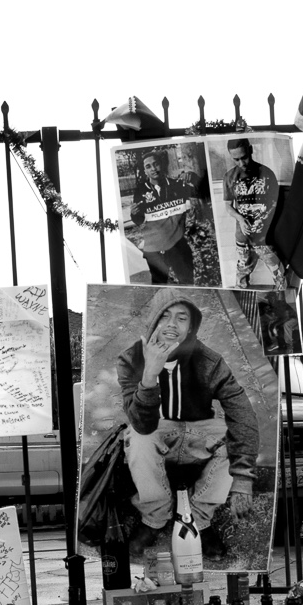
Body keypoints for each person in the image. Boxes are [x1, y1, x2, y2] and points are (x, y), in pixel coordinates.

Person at [118, 295, 259, 559]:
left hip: (198, 433)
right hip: (157, 432)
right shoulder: (131, 359)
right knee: (137, 435)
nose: (172, 324)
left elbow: (241, 411)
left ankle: (198, 520)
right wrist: (149, 375)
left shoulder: (208, 360)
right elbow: (141, 422)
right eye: (164, 316)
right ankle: (155, 519)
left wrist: (243, 477)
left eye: (181, 318)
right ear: (153, 321)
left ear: (191, 327)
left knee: (231, 433)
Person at [127, 149, 202, 285]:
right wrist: (134, 213)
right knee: (159, 287)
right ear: (145, 171)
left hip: (177, 244)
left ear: (161, 165)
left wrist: (194, 177)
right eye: (148, 166)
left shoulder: (177, 185)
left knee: (187, 284)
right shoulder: (141, 190)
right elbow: (139, 220)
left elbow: (202, 192)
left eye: (156, 164)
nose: (153, 169)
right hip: (154, 248)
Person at [222, 138, 284, 289]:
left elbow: (275, 203)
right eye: (236, 159)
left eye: (244, 157)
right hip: (243, 237)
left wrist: (263, 220)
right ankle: (242, 305)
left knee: (278, 273)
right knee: (242, 274)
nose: (241, 163)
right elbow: (227, 206)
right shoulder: (229, 177)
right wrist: (240, 219)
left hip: (264, 238)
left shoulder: (267, 173)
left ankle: (282, 301)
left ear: (250, 150)